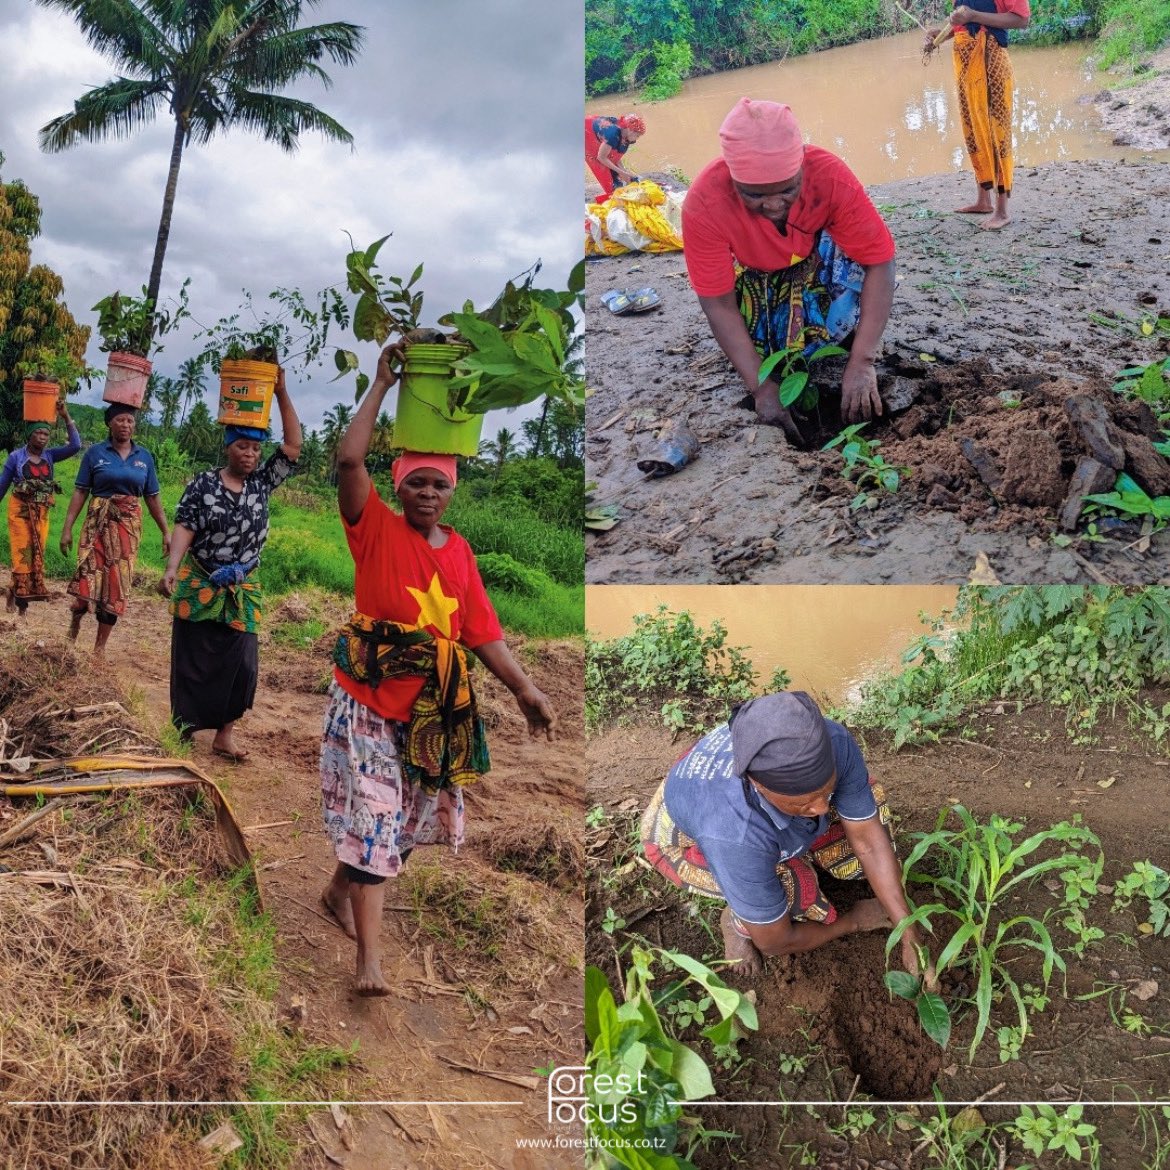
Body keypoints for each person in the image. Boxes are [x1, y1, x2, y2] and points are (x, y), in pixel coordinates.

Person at [319, 343, 557, 996]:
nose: (427, 493)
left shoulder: (461, 553)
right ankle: (369, 962)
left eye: (439, 483)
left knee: (403, 828)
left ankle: (338, 893)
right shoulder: (373, 528)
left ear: (454, 489)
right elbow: (347, 457)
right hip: (369, 701)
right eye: (416, 482)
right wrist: (380, 383)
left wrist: (526, 689)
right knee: (374, 822)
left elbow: (481, 631)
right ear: (397, 485)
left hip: (432, 712)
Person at [641, 691, 935, 984]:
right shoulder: (735, 834)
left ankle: (791, 834)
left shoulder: (832, 742)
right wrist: (853, 921)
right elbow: (775, 942)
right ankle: (737, 921)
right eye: (803, 803)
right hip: (679, 839)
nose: (822, 809)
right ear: (757, 784)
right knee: (791, 882)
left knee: (869, 801)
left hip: (742, 814)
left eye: (826, 790)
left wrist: (907, 930)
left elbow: (869, 841)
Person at [682, 98, 897, 441]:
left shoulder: (829, 177)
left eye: (787, 189)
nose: (773, 204)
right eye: (754, 195)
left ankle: (848, 340)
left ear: (801, 167)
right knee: (771, 355)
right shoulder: (705, 202)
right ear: (734, 180)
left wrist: (863, 361)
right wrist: (761, 389)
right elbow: (717, 304)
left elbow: (880, 262)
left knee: (856, 262)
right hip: (760, 277)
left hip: (818, 258)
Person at [159, 369, 301, 763]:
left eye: (255, 450)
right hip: (202, 577)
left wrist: (282, 391)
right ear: (227, 448)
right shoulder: (203, 485)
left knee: (242, 661)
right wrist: (172, 568)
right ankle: (185, 725)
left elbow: (292, 445)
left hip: (244, 584)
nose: (251, 455)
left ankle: (225, 733)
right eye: (242, 447)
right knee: (193, 656)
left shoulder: (262, 484)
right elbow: (186, 525)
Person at [60, 404, 169, 657]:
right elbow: (80, 492)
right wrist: (67, 528)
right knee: (84, 584)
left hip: (126, 530)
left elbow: (152, 497)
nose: (126, 425)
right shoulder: (95, 453)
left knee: (115, 588)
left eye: (130, 421)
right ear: (110, 423)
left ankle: (99, 650)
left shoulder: (144, 457)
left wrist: (166, 531)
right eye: (120, 420)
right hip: (96, 526)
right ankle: (75, 619)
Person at [926, 0, 1031, 230]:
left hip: (991, 59)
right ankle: (983, 201)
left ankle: (1002, 211)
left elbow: (1022, 19)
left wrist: (973, 15)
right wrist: (940, 36)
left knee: (996, 133)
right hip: (965, 63)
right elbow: (964, 25)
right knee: (973, 129)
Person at [0, 400, 81, 616]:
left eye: (46, 435)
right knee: (22, 554)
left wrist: (66, 416)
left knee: (35, 554)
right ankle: (22, 610)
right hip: (19, 511)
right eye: (39, 434)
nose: (43, 438)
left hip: (41, 514)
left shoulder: (50, 456)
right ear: (30, 435)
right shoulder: (16, 457)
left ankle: (12, 591)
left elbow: (75, 446)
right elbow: (2, 486)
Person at [585, 113, 646, 201]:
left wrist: (623, 171)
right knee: (599, 164)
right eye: (637, 135)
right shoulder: (612, 134)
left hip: (600, 132)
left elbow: (616, 156)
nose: (637, 139)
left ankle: (617, 181)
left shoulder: (625, 135)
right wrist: (622, 172)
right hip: (587, 132)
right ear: (631, 130)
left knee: (616, 172)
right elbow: (601, 157)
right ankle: (610, 192)